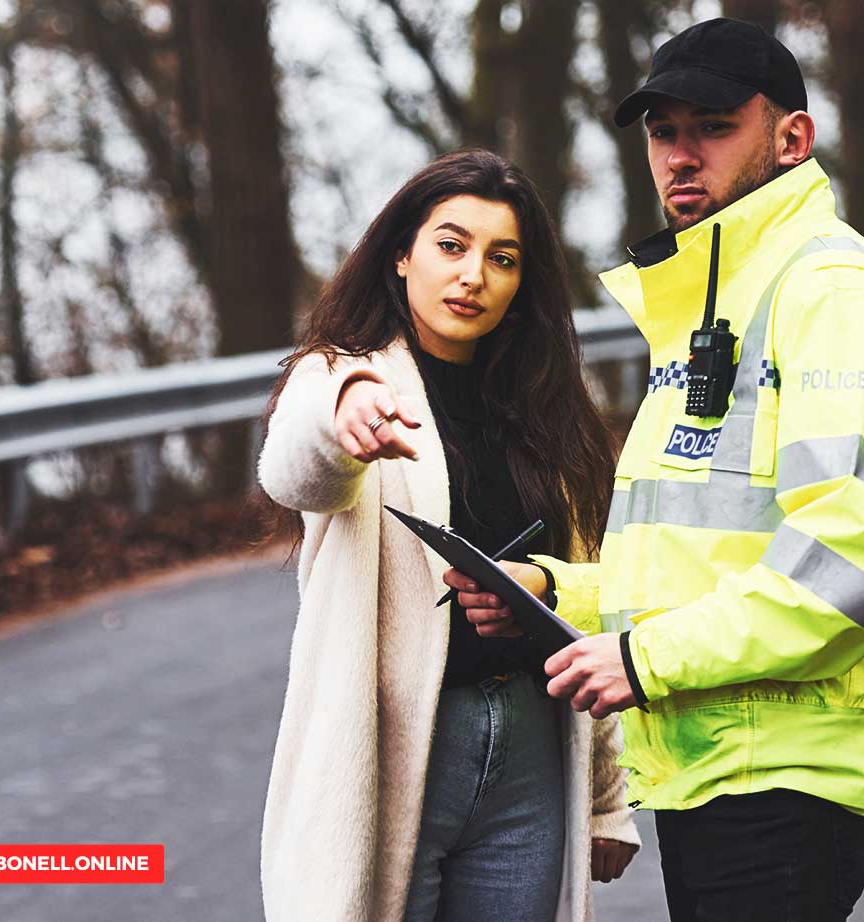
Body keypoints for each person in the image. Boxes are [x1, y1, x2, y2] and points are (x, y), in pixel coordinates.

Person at [448, 18, 864, 922]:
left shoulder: (839, 294)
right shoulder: (719, 304)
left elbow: (858, 564)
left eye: (714, 126)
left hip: (789, 766)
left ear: (790, 137)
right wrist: (553, 593)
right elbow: (705, 555)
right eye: (662, 131)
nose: (682, 156)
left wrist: (642, 661)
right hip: (722, 757)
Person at [257, 149, 640, 922]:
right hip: (398, 749)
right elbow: (295, 472)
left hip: (534, 750)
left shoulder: (546, 414)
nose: (474, 275)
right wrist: (348, 414)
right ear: (402, 254)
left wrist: (606, 800)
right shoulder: (339, 378)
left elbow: (588, 601)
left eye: (502, 259)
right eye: (451, 245)